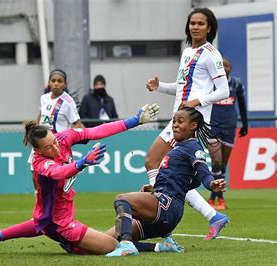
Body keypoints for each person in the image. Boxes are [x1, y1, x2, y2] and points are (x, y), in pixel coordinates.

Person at [0, 103, 167, 255]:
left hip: (54, 220)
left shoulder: (64, 138)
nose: (55, 147)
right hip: (61, 224)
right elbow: (59, 173)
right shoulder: (39, 163)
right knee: (113, 245)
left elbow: (97, 131)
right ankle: (159, 248)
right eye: (48, 147)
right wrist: (82, 162)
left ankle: (74, 246)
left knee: (110, 235)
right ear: (37, 150)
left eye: (54, 141)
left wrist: (135, 120)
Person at [144, 7, 230, 240]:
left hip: (193, 121)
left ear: (209, 28)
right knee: (172, 175)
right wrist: (160, 86)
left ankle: (164, 207)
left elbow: (224, 90)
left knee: (153, 161)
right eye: (192, 23)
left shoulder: (212, 54)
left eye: (201, 24)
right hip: (179, 117)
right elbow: (183, 88)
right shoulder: (187, 52)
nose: (195, 27)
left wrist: (198, 101)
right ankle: (213, 216)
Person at [106, 107, 227, 256]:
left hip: (167, 206)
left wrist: (211, 184)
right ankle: (161, 247)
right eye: (174, 121)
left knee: (122, 199)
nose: (175, 124)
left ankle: (126, 245)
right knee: (108, 241)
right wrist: (154, 188)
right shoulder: (179, 147)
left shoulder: (192, 147)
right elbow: (190, 182)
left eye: (180, 121)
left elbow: (203, 173)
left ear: (193, 125)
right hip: (165, 211)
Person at [207, 58, 249, 210]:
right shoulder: (209, 83)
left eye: (227, 65)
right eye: (222, 65)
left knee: (223, 165)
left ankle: (212, 199)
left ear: (231, 68)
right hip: (212, 126)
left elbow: (242, 105)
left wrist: (245, 124)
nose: (224, 68)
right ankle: (221, 199)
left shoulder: (236, 83)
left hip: (230, 126)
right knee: (216, 161)